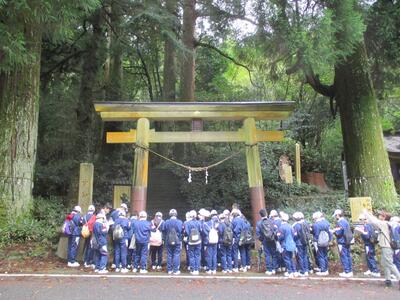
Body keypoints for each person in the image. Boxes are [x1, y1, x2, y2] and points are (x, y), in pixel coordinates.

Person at [364, 209, 400, 288]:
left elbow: (374, 221)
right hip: (386, 247)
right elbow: (374, 221)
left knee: (389, 263)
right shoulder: (387, 224)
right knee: (385, 263)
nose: (379, 216)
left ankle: (399, 278)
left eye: (380, 215)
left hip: (387, 247)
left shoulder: (384, 224)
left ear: (384, 217)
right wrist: (370, 214)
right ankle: (388, 280)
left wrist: (366, 213)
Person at [160, 209, 183, 275]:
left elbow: (163, 230)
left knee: (169, 255)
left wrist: (164, 239)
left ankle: (169, 270)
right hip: (177, 240)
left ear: (170, 214)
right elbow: (181, 231)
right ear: (176, 214)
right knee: (176, 254)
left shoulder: (166, 222)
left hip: (168, 240)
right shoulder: (180, 222)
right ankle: (176, 270)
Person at [332, 209, 353, 277]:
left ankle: (346, 271)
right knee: (347, 255)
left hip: (342, 241)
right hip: (347, 241)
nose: (335, 217)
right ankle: (349, 270)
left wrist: (334, 231)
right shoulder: (345, 221)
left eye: (335, 215)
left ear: (338, 215)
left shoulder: (340, 222)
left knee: (344, 256)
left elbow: (339, 233)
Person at [256, 209, 277, 275]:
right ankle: (274, 269)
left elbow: (258, 234)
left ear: (260, 215)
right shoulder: (271, 221)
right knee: (274, 254)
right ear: (266, 214)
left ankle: (269, 269)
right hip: (272, 239)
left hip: (265, 240)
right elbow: (275, 230)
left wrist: (262, 240)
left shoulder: (259, 223)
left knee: (267, 255)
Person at [277, 212, 297, 277]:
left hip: (285, 245)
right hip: (291, 244)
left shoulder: (281, 227)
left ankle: (290, 271)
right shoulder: (290, 226)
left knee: (286, 258)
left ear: (281, 219)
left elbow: (280, 237)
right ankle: (294, 271)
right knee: (291, 258)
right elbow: (294, 235)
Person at [312, 211, 331, 276]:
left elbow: (316, 234)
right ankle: (326, 268)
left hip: (319, 241)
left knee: (320, 255)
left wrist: (315, 241)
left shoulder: (316, 224)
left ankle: (323, 270)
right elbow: (329, 232)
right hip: (326, 240)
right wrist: (329, 240)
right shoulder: (326, 222)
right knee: (325, 255)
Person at [292, 211, 310, 276]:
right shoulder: (305, 223)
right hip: (305, 242)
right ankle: (306, 270)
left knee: (300, 257)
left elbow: (295, 235)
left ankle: (302, 270)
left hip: (298, 243)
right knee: (305, 256)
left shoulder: (295, 226)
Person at [185, 210, 202, 275]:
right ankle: (197, 269)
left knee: (191, 255)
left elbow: (186, 232)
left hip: (190, 242)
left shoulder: (187, 223)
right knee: (197, 255)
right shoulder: (199, 223)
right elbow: (201, 230)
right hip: (198, 241)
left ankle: (192, 269)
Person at [203, 210, 219, 274]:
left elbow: (204, 232)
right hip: (216, 241)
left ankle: (209, 269)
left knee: (209, 255)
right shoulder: (218, 223)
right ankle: (214, 269)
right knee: (214, 255)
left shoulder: (207, 223)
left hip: (209, 241)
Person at [231, 208, 246, 272]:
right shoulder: (242, 220)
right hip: (242, 237)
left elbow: (232, 229)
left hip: (236, 237)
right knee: (243, 252)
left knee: (235, 252)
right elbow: (245, 228)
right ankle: (244, 267)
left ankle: (236, 267)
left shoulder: (233, 221)